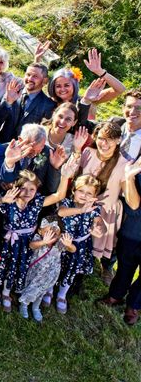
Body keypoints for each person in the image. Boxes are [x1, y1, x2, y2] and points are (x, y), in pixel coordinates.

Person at [0, 163, 75, 313]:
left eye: (32, 189)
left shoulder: (36, 203)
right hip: (8, 241)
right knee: (1, 264)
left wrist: (65, 176)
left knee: (16, 267)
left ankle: (6, 292)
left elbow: (58, 196)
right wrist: (2, 200)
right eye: (23, 188)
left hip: (25, 243)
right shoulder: (9, 200)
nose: (28, 192)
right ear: (16, 187)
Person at [73, 121, 127, 285]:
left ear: (118, 140)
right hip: (81, 206)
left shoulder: (124, 163)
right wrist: (76, 150)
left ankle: (77, 280)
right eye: (101, 138)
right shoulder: (88, 152)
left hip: (104, 212)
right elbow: (75, 176)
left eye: (110, 139)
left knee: (87, 250)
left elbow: (125, 191)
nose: (104, 143)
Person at [97, 158, 141, 326]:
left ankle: (134, 305)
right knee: (125, 265)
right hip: (134, 228)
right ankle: (115, 295)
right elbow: (134, 206)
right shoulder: (137, 164)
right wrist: (130, 178)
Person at [56, 175, 105, 314]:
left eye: (89, 193)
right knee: (56, 267)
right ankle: (48, 290)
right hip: (63, 242)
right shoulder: (67, 202)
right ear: (73, 190)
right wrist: (81, 210)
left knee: (72, 270)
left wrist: (99, 229)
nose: (84, 195)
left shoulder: (95, 209)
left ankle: (62, 295)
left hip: (81, 246)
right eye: (81, 191)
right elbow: (61, 212)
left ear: (95, 196)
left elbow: (100, 223)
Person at [18, 218, 76, 322]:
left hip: (51, 274)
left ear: (59, 234)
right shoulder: (38, 238)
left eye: (55, 233)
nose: (52, 235)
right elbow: (32, 245)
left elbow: (73, 250)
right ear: (40, 231)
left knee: (42, 291)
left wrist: (69, 245)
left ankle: (36, 307)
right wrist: (43, 242)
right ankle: (24, 305)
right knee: (31, 288)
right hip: (35, 272)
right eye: (48, 232)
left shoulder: (59, 243)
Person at [0, 62, 56, 143]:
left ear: (44, 80)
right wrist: (8, 102)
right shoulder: (12, 92)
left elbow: (42, 135)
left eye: (35, 76)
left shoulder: (49, 105)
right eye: (28, 74)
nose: (30, 79)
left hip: (24, 151)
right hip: (0, 144)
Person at [0, 124, 65, 195]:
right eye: (32, 150)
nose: (35, 154)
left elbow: (52, 189)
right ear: (21, 140)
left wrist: (54, 167)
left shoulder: (49, 154)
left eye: (40, 148)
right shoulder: (4, 150)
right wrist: (1, 180)